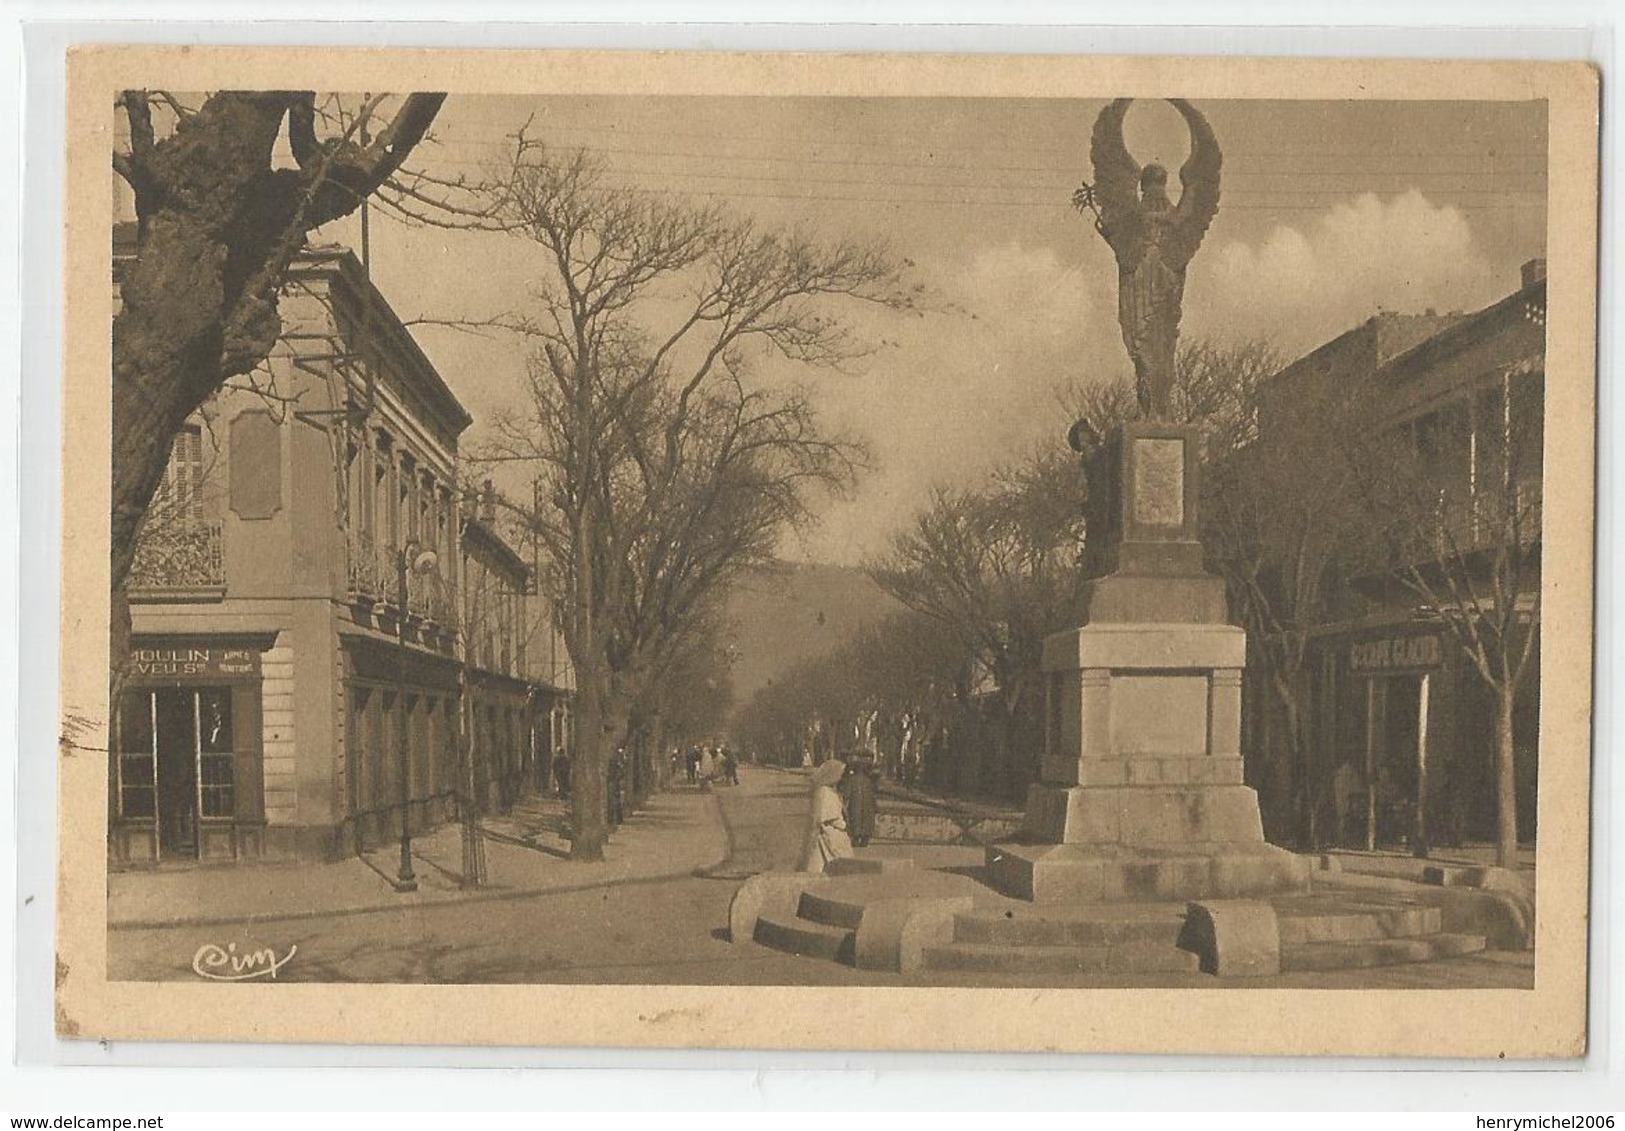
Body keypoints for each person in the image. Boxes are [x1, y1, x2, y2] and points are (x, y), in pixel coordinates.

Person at [798, 758, 853, 872]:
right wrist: (842, 824)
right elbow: (827, 817)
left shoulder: (829, 791)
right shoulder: (825, 792)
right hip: (829, 833)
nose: (841, 778)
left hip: (832, 833)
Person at [840, 752, 880, 848]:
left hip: (855, 805)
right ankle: (864, 838)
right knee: (866, 821)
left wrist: (843, 805)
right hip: (867, 806)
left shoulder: (851, 780)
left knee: (855, 820)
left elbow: (846, 794)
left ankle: (856, 838)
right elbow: (874, 795)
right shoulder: (869, 781)